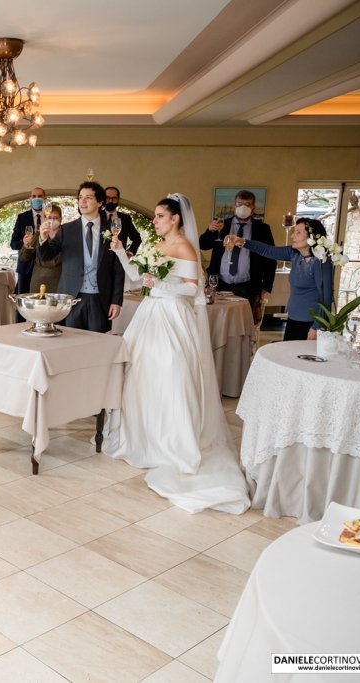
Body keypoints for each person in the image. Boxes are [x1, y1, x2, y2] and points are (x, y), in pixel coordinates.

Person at [104, 193, 250, 514]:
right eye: (155, 216)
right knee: (139, 375)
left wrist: (161, 286)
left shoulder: (184, 246)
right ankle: (142, 436)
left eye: (159, 216)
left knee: (170, 375)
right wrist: (121, 255)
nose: (154, 221)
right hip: (150, 315)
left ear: (175, 219)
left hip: (172, 316)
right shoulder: (155, 246)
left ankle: (172, 441)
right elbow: (136, 278)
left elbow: (191, 288)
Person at [225, 217, 334, 341]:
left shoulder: (321, 263)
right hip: (293, 319)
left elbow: (326, 298)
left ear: (311, 237)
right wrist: (243, 242)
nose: (293, 236)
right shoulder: (294, 254)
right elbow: (269, 250)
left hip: (310, 324)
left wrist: (316, 327)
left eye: (298, 232)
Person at [37, 181, 124, 332]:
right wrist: (43, 239)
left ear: (100, 202)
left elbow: (118, 268)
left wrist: (117, 301)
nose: (82, 201)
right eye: (80, 197)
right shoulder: (66, 230)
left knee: (97, 344)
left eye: (88, 197)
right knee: (70, 343)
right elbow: (46, 256)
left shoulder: (112, 231)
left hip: (100, 298)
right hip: (71, 299)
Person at [198, 189, 275, 320]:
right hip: (219, 284)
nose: (242, 208)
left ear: (253, 207)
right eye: (239, 204)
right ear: (234, 205)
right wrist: (210, 231)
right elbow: (203, 245)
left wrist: (266, 286)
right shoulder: (221, 224)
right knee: (218, 321)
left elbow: (270, 258)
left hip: (248, 286)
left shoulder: (263, 229)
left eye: (247, 205)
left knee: (244, 323)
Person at [11, 187, 47, 298]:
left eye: (40, 196)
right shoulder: (22, 218)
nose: (37, 199)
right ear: (29, 199)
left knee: (43, 301)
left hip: (45, 268)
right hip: (25, 268)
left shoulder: (49, 216)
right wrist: (24, 243)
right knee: (23, 301)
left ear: (45, 198)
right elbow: (13, 244)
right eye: (34, 196)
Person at [21, 204, 63, 294]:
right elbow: (24, 257)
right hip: (38, 281)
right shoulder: (37, 235)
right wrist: (26, 245)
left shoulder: (66, 235)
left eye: (55, 217)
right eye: (49, 217)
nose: (52, 220)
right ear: (45, 218)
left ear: (61, 219)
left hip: (59, 280)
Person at [102, 186, 142, 256]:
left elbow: (137, 238)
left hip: (118, 262)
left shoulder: (125, 218)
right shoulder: (96, 216)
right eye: (107, 198)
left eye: (114, 198)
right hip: (99, 263)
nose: (111, 201)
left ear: (118, 199)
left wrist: (129, 253)